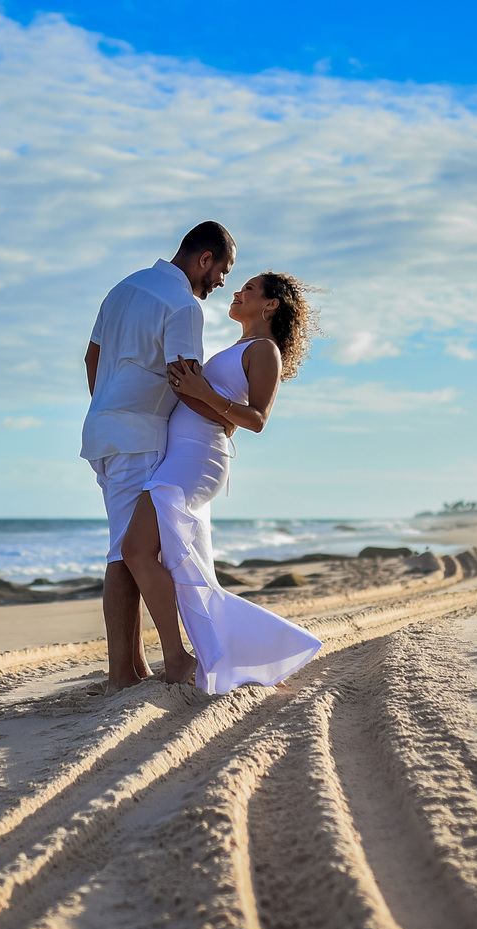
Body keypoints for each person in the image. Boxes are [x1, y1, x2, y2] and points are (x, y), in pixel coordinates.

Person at [121, 271, 322, 692]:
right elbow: (226, 416)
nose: (238, 291)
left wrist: (202, 391)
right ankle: (189, 656)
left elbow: (257, 419)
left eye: (248, 288)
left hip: (196, 461)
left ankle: (178, 659)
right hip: (185, 455)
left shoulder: (265, 350)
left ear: (271, 305)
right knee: (156, 555)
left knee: (137, 549)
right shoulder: (239, 347)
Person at [82, 222, 237, 691]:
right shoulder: (183, 306)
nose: (220, 283)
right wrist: (224, 420)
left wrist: (108, 405)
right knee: (127, 552)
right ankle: (121, 675)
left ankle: (132, 667)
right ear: (204, 259)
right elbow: (184, 379)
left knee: (126, 547)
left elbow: (92, 358)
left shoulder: (123, 288)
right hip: (140, 434)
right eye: (223, 271)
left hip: (104, 431)